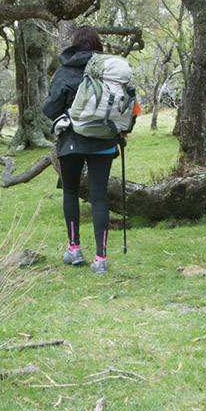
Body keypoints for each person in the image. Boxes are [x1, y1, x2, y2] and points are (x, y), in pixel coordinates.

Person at [42, 26, 120, 275]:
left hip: (72, 140)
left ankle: (74, 248)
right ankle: (101, 257)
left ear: (75, 44)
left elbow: (51, 107)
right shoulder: (110, 70)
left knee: (71, 191)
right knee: (99, 196)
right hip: (104, 141)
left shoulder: (66, 70)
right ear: (98, 44)